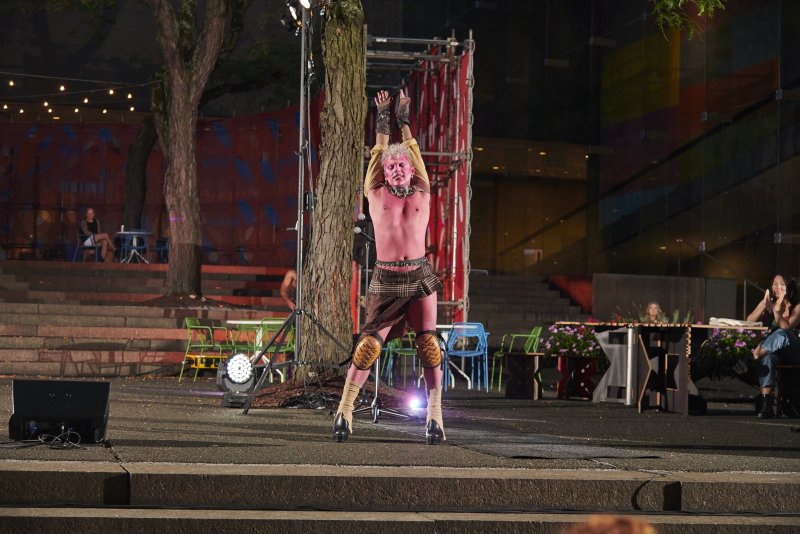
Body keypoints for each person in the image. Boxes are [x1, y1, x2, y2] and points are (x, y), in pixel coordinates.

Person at [333, 88, 445, 445]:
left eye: (403, 165)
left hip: (418, 277)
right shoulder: (375, 194)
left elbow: (412, 151)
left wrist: (404, 121)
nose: (397, 168)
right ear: (385, 172)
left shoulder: (423, 192)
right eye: (392, 166)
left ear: (411, 170)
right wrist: (382, 118)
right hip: (385, 277)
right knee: (368, 347)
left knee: (429, 344)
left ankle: (435, 417)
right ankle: (344, 412)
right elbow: (379, 152)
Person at [746, 273, 800, 418]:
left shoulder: (797, 307)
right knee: (768, 357)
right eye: (775, 284)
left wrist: (777, 310)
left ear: (789, 287)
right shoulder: (768, 301)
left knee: (782, 333)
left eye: (782, 284)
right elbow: (749, 321)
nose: (778, 287)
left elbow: (787, 328)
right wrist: (764, 305)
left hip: (794, 350)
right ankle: (766, 405)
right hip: (774, 350)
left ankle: (754, 354)